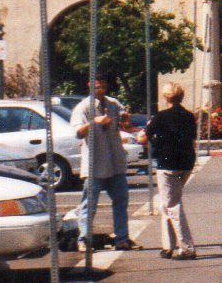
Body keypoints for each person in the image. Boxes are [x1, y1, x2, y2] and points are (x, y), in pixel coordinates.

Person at [70, 77, 135, 251]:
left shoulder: (113, 103)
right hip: (95, 164)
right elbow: (77, 132)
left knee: (121, 201)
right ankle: (84, 239)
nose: (101, 90)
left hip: (115, 162)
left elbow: (126, 124)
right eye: (97, 87)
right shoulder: (83, 107)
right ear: (90, 85)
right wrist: (94, 122)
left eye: (103, 86)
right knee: (89, 204)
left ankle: (121, 238)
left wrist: (126, 120)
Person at [140, 82, 198, 259]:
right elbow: (192, 140)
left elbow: (142, 137)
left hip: (168, 164)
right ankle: (168, 245)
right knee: (166, 202)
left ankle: (187, 247)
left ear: (166, 97)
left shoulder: (160, 117)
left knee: (172, 205)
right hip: (186, 162)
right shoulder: (189, 116)